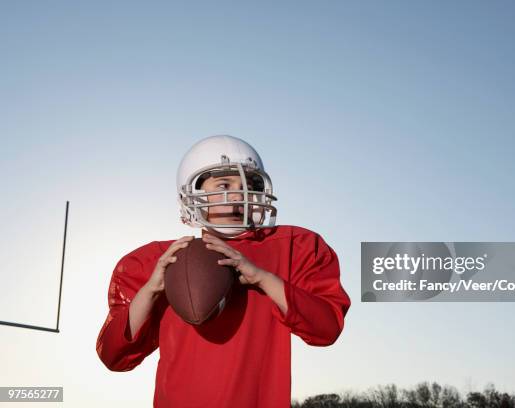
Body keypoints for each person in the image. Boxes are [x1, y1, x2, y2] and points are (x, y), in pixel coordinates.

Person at [96, 134, 351, 407]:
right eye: (224, 184)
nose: (239, 195)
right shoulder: (156, 261)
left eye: (250, 185)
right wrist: (151, 290)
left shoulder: (294, 247)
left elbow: (326, 329)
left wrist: (263, 278)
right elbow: (114, 356)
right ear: (193, 192)